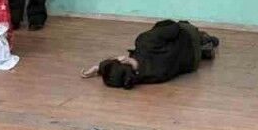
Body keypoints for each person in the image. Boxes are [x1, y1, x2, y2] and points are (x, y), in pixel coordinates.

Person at [80, 20, 219, 89]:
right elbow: (173, 28)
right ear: (123, 60)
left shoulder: (147, 77)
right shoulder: (145, 42)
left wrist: (99, 68)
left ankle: (204, 48)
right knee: (181, 25)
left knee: (173, 46)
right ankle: (204, 40)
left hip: (192, 62)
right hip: (189, 39)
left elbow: (117, 73)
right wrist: (156, 30)